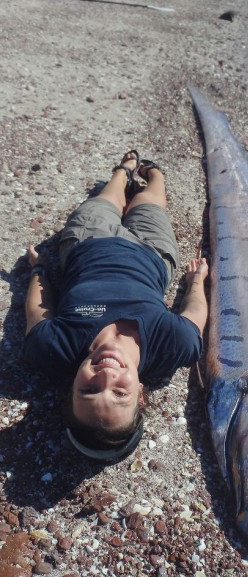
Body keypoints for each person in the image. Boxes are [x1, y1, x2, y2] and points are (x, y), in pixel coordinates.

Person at [24, 150, 208, 463]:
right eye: (119, 394)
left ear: (71, 389)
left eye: (89, 390)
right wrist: (196, 281)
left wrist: (39, 270)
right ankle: (154, 172)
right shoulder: (176, 346)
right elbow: (194, 314)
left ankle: (124, 171)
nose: (106, 377)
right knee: (150, 199)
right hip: (152, 253)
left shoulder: (53, 348)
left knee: (110, 193)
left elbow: (36, 310)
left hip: (88, 241)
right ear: (141, 395)